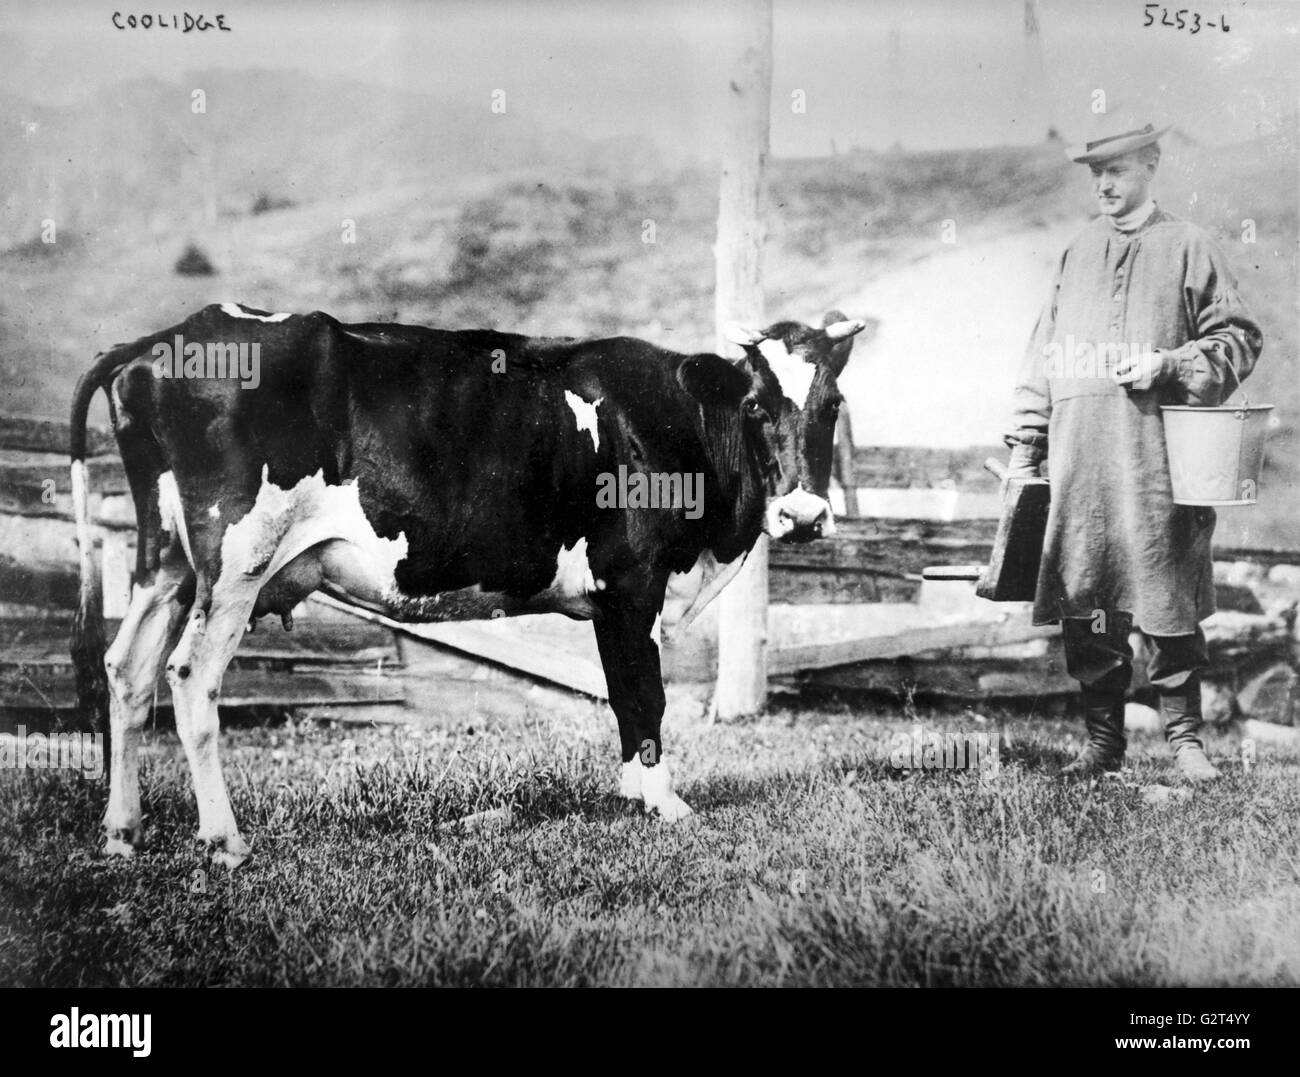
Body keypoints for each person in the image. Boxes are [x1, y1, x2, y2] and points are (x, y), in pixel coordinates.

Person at [1005, 111, 1264, 781]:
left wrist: (1169, 364)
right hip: (1081, 462)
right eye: (1096, 173)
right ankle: (1102, 742)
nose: (1104, 185)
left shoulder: (1188, 245)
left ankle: (1185, 741)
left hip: (1155, 458)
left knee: (1166, 588)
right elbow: (1042, 358)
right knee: (1086, 596)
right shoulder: (1077, 251)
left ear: (1150, 166)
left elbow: (1239, 340)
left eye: (1116, 169)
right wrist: (1026, 444)